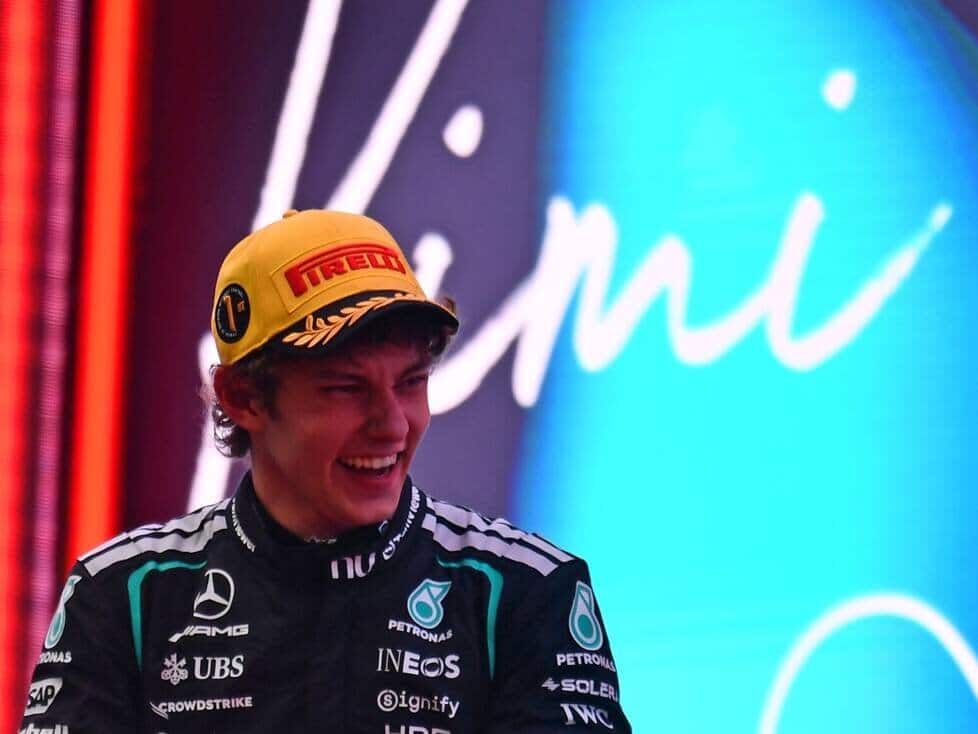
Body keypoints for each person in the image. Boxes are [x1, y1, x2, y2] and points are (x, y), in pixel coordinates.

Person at [21, 209, 630, 733]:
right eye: (346, 389)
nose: (392, 425)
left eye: (411, 382)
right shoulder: (124, 594)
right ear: (243, 398)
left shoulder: (526, 592)